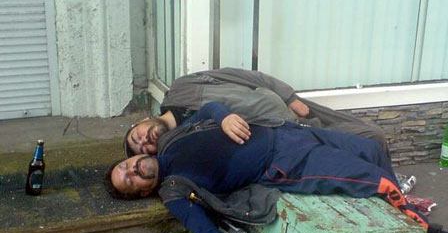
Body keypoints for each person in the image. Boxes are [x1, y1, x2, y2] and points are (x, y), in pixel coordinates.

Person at [106, 102, 448, 233]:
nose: (134, 169)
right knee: (375, 181)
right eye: (130, 181)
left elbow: (209, 109)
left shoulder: (171, 139)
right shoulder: (174, 189)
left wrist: (224, 117)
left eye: (127, 165)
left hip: (285, 133)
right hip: (288, 164)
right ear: (142, 192)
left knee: (369, 147)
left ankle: (406, 223)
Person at [123, 67, 390, 158]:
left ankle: (391, 186)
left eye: (138, 137)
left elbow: (244, 75)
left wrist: (288, 94)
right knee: (372, 137)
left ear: (142, 122)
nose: (145, 142)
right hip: (296, 134)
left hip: (296, 107)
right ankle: (391, 192)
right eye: (143, 149)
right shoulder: (185, 141)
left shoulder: (183, 88)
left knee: (373, 137)